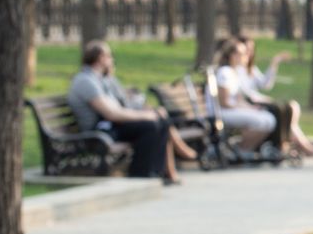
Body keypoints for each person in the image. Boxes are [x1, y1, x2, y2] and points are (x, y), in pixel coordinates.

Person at [67, 40, 187, 184]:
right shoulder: (86, 81)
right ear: (100, 58)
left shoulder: (102, 79)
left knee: (160, 122)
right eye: (110, 56)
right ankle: (141, 175)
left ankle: (157, 172)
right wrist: (146, 115)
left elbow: (122, 103)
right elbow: (111, 114)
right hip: (99, 130)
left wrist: (147, 111)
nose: (112, 60)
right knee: (150, 126)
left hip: (110, 125)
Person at [220, 37, 313, 159]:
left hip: (248, 104)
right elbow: (231, 99)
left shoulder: (242, 70)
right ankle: (250, 148)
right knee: (277, 114)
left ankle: (285, 145)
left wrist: (275, 62)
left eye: (250, 50)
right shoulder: (228, 72)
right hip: (240, 107)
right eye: (244, 52)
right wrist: (253, 105)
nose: (248, 54)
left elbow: (261, 86)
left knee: (288, 108)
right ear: (232, 55)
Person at [210, 38, 279, 151]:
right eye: (242, 53)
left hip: (230, 110)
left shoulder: (234, 72)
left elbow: (238, 99)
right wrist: (247, 109)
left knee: (269, 119)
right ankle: (242, 149)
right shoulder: (225, 72)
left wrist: (251, 108)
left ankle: (244, 149)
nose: (246, 56)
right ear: (233, 55)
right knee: (264, 121)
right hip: (221, 112)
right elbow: (224, 102)